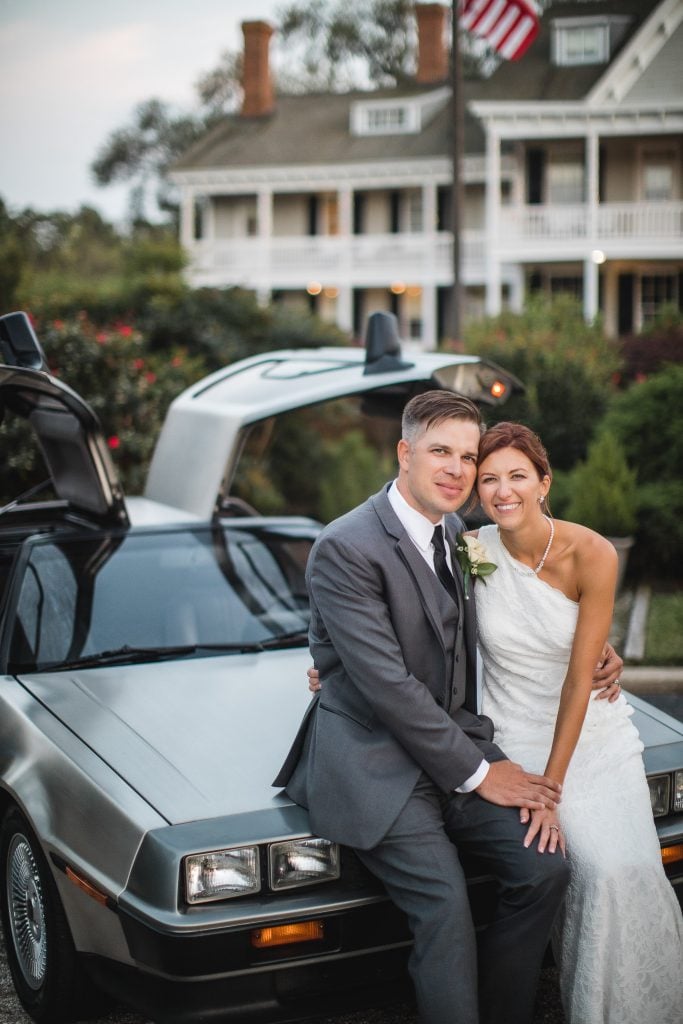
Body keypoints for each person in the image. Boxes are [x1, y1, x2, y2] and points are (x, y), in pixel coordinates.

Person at [274, 390, 574, 1024]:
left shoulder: (462, 535)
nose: (458, 470)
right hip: (377, 763)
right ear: (405, 452)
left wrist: (587, 649)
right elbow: (387, 685)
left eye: (468, 456)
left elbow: (513, 612)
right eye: (441, 451)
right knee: (444, 905)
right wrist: (481, 773)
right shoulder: (345, 545)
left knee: (543, 868)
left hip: (457, 747)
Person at [470, 421, 683, 1024]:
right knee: (586, 871)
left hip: (592, 731)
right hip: (514, 731)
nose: (502, 490)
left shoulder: (592, 551)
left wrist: (550, 790)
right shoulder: (470, 551)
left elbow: (577, 678)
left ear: (545, 482)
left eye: (516, 476)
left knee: (627, 869)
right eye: (488, 479)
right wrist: (329, 663)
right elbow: (410, 615)